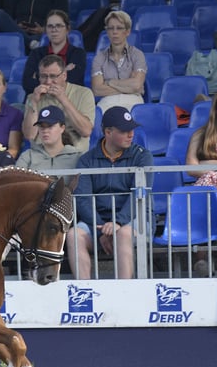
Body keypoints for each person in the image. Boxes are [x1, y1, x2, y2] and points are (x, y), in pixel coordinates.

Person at [65, 106, 153, 280]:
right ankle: (85, 293)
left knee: (123, 234)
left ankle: (125, 292)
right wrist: (102, 229)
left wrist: (117, 222)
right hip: (97, 223)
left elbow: (139, 195)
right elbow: (83, 198)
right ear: (108, 132)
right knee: (74, 235)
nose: (131, 135)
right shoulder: (86, 160)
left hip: (135, 220)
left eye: (132, 130)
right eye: (124, 131)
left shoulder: (143, 156)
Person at [22, 54, 95, 154]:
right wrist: (34, 102)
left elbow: (86, 131)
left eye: (53, 76)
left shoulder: (83, 93)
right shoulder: (33, 97)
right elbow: (29, 135)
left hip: (74, 154)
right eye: (43, 76)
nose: (48, 82)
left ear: (64, 75)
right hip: (42, 155)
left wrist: (63, 99)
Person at [90, 10, 147, 113]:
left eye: (119, 28)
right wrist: (128, 87)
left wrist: (109, 82)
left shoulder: (137, 55)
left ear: (128, 31)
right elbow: (97, 90)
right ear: (107, 31)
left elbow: (137, 85)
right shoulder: (99, 58)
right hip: (107, 102)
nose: (115, 32)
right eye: (111, 28)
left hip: (133, 102)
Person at [22, 9, 86, 90]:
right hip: (40, 100)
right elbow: (27, 83)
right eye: (50, 26)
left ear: (68, 29)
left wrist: (39, 76)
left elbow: (74, 81)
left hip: (69, 100)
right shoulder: (36, 53)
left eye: (58, 26)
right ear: (46, 30)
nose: (54, 30)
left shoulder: (78, 53)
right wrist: (63, 72)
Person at [16, 105, 82, 182]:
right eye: (41, 127)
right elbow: (17, 184)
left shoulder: (77, 157)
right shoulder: (28, 156)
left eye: (50, 126)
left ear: (62, 128)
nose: (45, 131)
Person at [0, 0, 70, 51]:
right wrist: (16, 25)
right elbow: (8, 15)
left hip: (41, 35)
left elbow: (62, 19)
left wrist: (43, 29)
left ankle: (28, 42)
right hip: (18, 32)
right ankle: (30, 42)